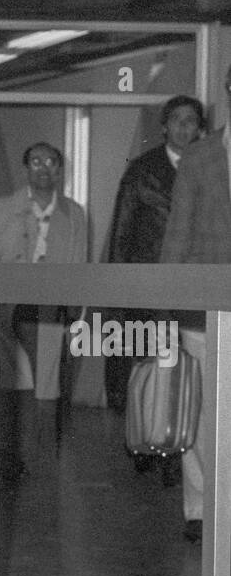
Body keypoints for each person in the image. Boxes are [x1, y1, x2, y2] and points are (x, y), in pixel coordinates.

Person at [105, 95, 205, 480]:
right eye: (177, 120)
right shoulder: (142, 170)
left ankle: (176, 447)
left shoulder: (209, 168)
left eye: (192, 121)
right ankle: (143, 440)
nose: (185, 127)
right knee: (148, 368)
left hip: (192, 286)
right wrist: (119, 287)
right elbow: (122, 230)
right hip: (147, 286)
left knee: (185, 369)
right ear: (164, 126)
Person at [0, 143, 88, 475]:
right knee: (3, 384)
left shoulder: (74, 214)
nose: (44, 168)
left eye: (52, 162)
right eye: (37, 161)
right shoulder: (0, 210)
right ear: (25, 167)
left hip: (49, 306)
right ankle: (4, 458)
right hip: (4, 305)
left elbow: (80, 266)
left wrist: (77, 315)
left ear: (61, 169)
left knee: (46, 386)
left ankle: (41, 462)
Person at [160, 67, 231, 543]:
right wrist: (167, 302)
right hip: (205, 306)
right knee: (203, 410)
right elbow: (178, 231)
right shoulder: (201, 157)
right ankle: (201, 508)